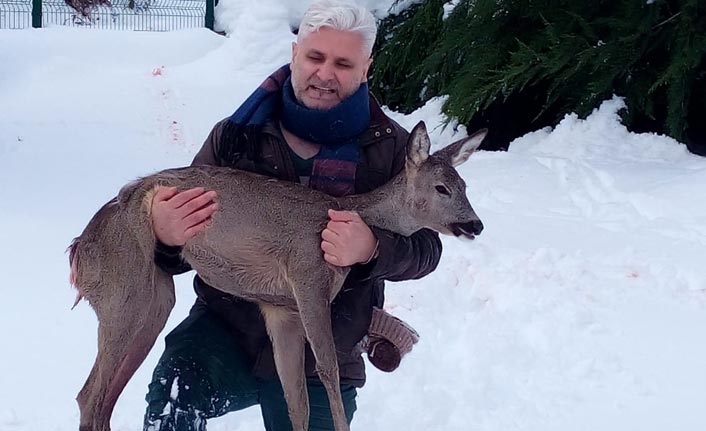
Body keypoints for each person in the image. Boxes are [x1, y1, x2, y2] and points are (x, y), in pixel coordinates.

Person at [143, 1, 442, 430]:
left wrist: (373, 249)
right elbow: (181, 243)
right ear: (294, 53)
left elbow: (427, 249)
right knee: (173, 395)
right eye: (315, 57)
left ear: (366, 68)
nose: (325, 73)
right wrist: (166, 238)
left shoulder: (392, 149)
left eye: (343, 63)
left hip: (327, 344)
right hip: (227, 327)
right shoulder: (236, 136)